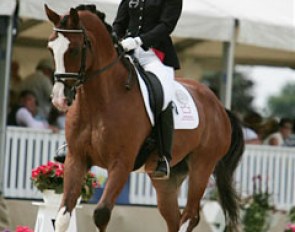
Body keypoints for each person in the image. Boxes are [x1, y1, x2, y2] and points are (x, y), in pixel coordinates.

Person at [113, 0, 183, 179]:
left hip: (155, 55)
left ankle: (163, 157)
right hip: (126, 50)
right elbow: (119, 22)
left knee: (164, 95)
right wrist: (115, 38)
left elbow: (166, 25)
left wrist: (140, 40)